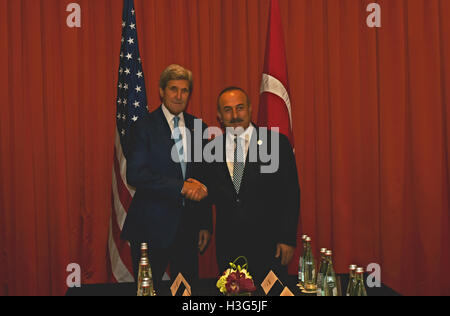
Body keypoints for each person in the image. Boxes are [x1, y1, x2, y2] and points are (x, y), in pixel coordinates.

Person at [121, 64, 212, 293]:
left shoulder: (199, 127)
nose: (179, 96)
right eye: (173, 89)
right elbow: (135, 174)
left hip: (188, 228)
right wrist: (180, 187)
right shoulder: (143, 126)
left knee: (187, 292)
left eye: (184, 90)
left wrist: (204, 223)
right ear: (161, 91)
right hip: (150, 227)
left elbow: (201, 178)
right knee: (148, 291)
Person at [205, 86, 300, 284]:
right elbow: (207, 194)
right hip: (229, 246)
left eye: (240, 108)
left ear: (250, 109)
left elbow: (291, 194)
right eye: (228, 110)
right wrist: (203, 226)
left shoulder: (276, 143)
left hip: (270, 246)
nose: (235, 115)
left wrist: (288, 238)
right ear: (219, 116)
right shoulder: (210, 150)